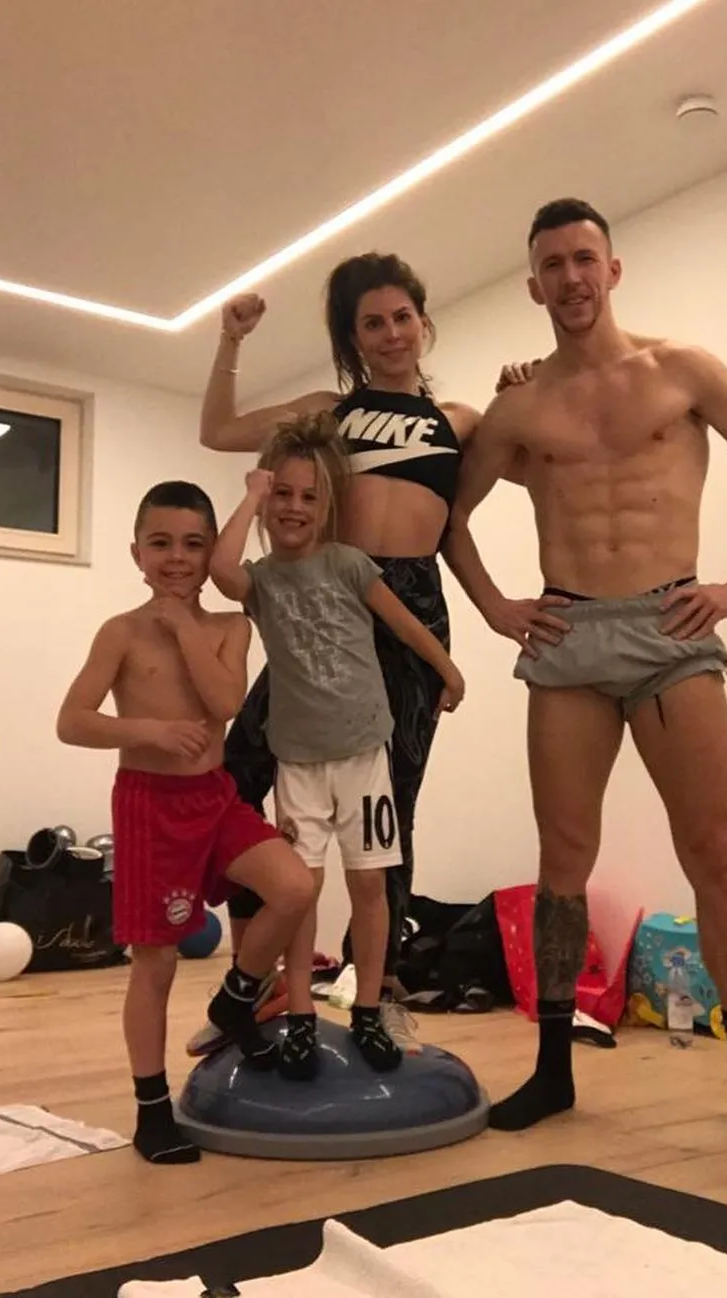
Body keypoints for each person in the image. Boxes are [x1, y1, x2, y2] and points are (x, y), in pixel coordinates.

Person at [443, 198, 727, 1151]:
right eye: (553, 265)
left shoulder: (681, 371)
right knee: (563, 862)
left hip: (669, 628)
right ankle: (554, 1069)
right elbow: (451, 515)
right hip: (567, 635)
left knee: (713, 853)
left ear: (612, 269)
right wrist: (493, 605)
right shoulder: (521, 407)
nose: (571, 278)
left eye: (585, 259)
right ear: (534, 286)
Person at [189, 251, 527, 1057]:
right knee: (240, 776)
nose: (390, 333)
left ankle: (379, 992)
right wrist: (231, 340)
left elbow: (460, 525)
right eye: (371, 323)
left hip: (410, 604)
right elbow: (218, 431)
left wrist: (528, 390)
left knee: (389, 814)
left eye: (401, 317)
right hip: (323, 605)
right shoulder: (326, 413)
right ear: (353, 339)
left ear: (423, 322)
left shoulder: (461, 420)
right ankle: (259, 976)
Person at [56, 481, 315, 1165]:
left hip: (215, 798)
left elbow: (225, 701)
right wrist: (148, 730)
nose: (177, 558)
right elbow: (72, 721)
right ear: (136, 553)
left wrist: (182, 628)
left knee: (294, 886)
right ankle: (151, 1109)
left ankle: (235, 998)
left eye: (194, 544)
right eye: (161, 543)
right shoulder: (119, 632)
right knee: (158, 960)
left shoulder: (231, 626)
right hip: (149, 804)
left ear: (210, 555)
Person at [208, 414, 465, 1080]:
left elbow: (405, 626)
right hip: (298, 761)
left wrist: (448, 670)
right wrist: (250, 495)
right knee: (301, 891)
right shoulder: (263, 579)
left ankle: (368, 1009)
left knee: (370, 884)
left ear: (327, 506)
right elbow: (220, 567)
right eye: (283, 494)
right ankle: (298, 1013)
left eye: (308, 496)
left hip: (363, 755)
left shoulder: (348, 563)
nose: (294, 507)